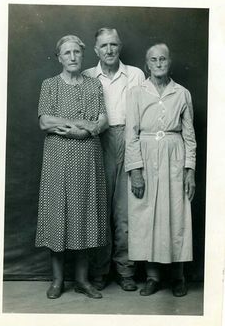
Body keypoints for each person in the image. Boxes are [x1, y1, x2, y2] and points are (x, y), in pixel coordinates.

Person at [35, 35, 109, 300]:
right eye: (67, 53)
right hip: (58, 159)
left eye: (77, 52)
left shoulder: (94, 85)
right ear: (59, 57)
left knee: (85, 216)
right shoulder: (50, 85)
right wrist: (79, 123)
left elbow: (101, 121)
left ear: (83, 54)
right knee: (59, 213)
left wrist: (85, 130)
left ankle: (82, 280)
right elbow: (45, 121)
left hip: (88, 158)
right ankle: (57, 281)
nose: (73, 57)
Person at [125, 43, 196, 297]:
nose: (158, 64)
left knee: (176, 215)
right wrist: (135, 170)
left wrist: (190, 170)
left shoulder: (181, 93)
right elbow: (130, 134)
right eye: (153, 60)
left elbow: (189, 136)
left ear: (169, 62)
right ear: (147, 64)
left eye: (162, 59)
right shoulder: (135, 92)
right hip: (145, 157)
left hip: (174, 157)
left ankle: (178, 276)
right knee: (148, 217)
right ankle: (153, 276)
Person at [83, 28, 145, 291]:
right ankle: (99, 270)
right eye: (104, 46)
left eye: (113, 45)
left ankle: (125, 270)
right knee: (99, 210)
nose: (109, 50)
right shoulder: (87, 76)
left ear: (120, 47)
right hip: (98, 142)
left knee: (125, 212)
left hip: (130, 140)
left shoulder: (136, 75)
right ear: (96, 50)